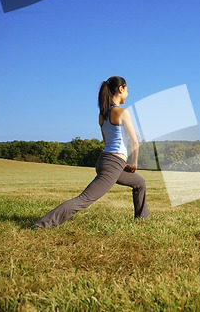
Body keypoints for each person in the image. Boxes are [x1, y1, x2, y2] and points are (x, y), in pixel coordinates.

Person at [33, 76, 149, 228]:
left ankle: (142, 221)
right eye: (127, 90)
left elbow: (107, 142)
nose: (128, 93)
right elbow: (134, 141)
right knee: (85, 198)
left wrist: (122, 164)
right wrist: (133, 162)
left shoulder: (102, 115)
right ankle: (43, 224)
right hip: (113, 163)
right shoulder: (122, 112)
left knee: (139, 183)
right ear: (121, 89)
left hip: (106, 160)